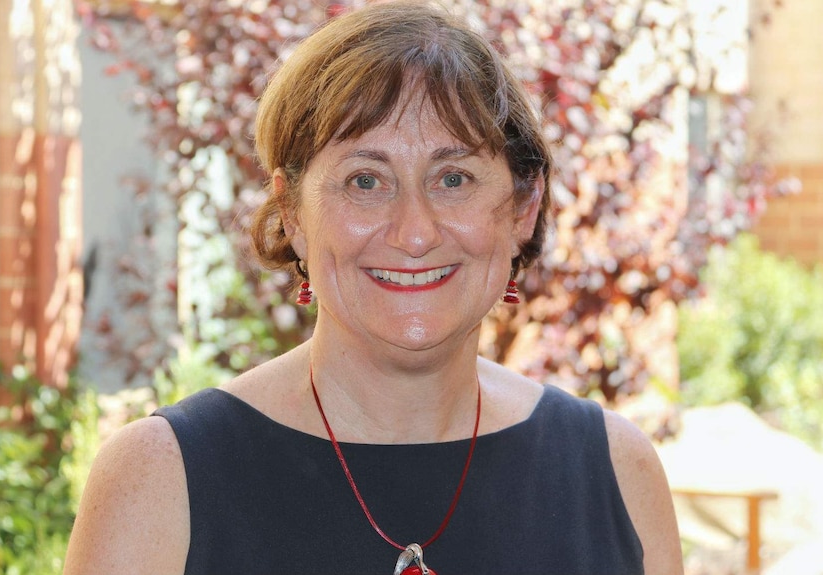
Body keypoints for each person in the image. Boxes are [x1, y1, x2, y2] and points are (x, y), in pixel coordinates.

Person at [63, 2, 683, 574]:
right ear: (292, 215)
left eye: (454, 178)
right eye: (365, 181)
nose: (414, 232)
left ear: (524, 207)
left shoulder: (617, 474)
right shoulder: (159, 479)